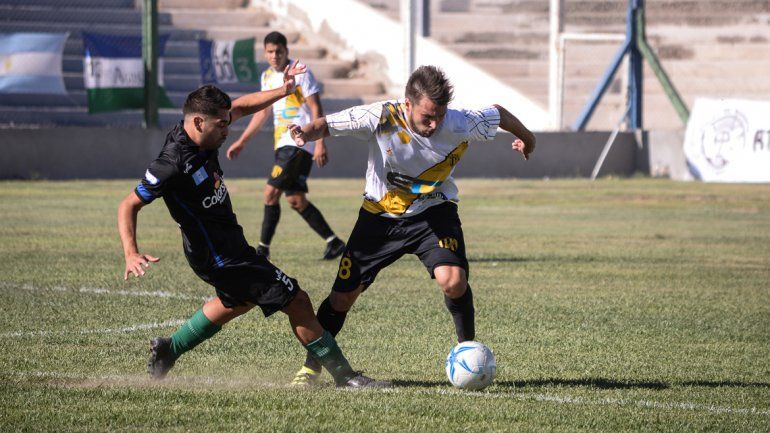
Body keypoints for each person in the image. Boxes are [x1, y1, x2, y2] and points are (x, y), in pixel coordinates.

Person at [117, 66, 387, 388]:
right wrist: (131, 252)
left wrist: (284, 91)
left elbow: (242, 106)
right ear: (199, 122)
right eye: (221, 125)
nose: (227, 130)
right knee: (297, 300)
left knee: (236, 302)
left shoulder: (203, 130)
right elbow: (128, 204)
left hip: (229, 244)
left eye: (227, 122)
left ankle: (169, 348)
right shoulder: (172, 163)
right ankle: (345, 377)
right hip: (218, 254)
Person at [285, 65, 536, 386]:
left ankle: (467, 351)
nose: (434, 124)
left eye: (439, 117)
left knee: (454, 282)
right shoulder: (381, 116)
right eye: (426, 117)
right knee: (341, 299)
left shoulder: (458, 122)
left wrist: (528, 139)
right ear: (407, 104)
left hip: (433, 212)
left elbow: (498, 114)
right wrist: (305, 132)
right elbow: (331, 124)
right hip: (379, 217)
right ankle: (311, 368)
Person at [226, 31, 345, 261]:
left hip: (298, 142)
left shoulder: (301, 72)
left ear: (286, 51)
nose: (274, 56)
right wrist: (242, 141)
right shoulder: (267, 77)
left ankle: (262, 250)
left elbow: (316, 110)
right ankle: (334, 242)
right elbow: (262, 113)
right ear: (265, 53)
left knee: (270, 193)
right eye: (270, 52)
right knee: (295, 199)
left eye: (278, 51)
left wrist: (320, 143)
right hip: (282, 144)